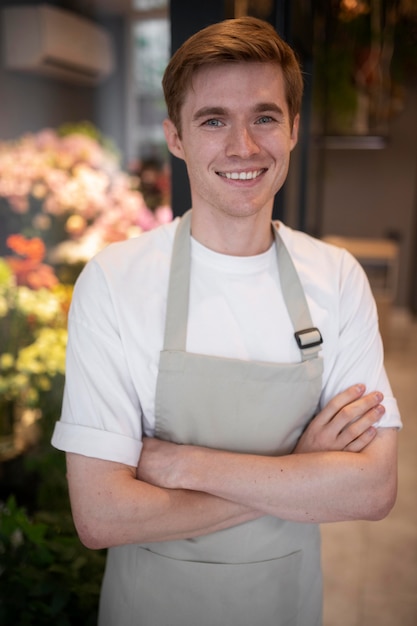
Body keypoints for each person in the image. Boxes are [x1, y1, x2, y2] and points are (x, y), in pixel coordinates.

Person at [51, 16, 401, 626]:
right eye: (214, 120)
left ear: (293, 129)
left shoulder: (338, 278)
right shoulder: (114, 283)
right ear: (177, 138)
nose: (243, 145)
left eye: (265, 116)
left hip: (287, 606)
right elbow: (102, 516)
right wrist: (301, 466)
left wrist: (180, 465)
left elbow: (371, 491)